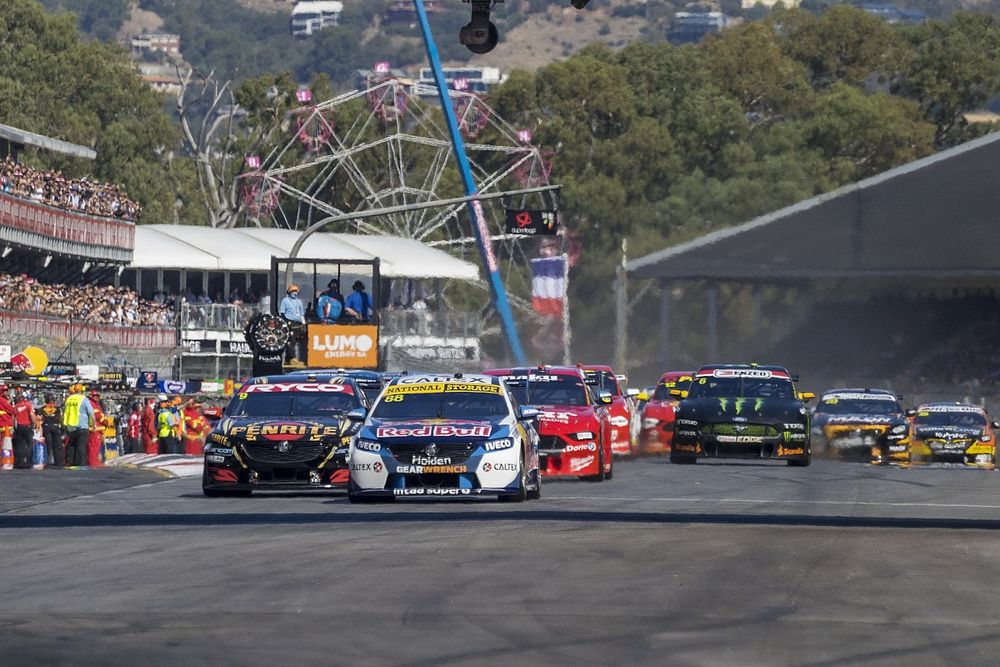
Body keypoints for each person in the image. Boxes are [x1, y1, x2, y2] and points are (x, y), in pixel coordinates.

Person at [62, 384, 95, 467]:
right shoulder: (84, 399)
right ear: (82, 390)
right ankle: (80, 463)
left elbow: (65, 412)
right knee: (81, 445)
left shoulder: (69, 399)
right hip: (82, 425)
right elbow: (91, 412)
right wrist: (94, 424)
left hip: (70, 426)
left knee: (71, 445)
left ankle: (70, 462)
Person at [279, 284, 306, 363]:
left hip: (298, 323)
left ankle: (289, 359)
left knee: (297, 341)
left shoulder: (299, 302)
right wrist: (286, 322)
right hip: (290, 321)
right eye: (293, 291)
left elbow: (302, 314)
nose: (294, 293)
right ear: (289, 292)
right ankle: (292, 357)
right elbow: (282, 313)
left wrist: (303, 323)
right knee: (291, 340)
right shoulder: (285, 301)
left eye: (296, 291)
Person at [12, 388, 36, 469]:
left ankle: (20, 462)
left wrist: (14, 428)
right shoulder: (28, 404)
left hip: (19, 427)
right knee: (29, 444)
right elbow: (31, 415)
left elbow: (14, 418)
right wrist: (34, 423)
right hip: (27, 426)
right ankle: (28, 461)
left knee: (20, 445)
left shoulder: (16, 406)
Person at [40, 393, 64, 467]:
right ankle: (58, 462)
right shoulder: (57, 408)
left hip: (46, 427)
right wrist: (63, 427)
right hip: (55, 427)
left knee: (48, 444)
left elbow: (40, 418)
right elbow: (61, 418)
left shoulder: (42, 408)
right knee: (57, 445)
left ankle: (47, 461)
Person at [87, 390, 105, 467]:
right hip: (94, 429)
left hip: (98, 429)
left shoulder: (97, 404)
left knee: (96, 446)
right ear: (91, 396)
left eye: (98, 396)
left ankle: (94, 460)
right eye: (95, 396)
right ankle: (93, 461)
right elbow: (97, 415)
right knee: (94, 446)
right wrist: (105, 421)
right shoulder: (92, 404)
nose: (97, 397)